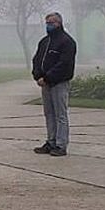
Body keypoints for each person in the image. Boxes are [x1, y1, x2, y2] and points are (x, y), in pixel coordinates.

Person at [31, 12, 77, 157]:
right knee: (49, 114)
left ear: (59, 23)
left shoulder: (67, 42)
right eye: (47, 23)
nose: (48, 26)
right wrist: (38, 75)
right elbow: (37, 59)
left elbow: (64, 64)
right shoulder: (44, 42)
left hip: (59, 83)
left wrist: (48, 77)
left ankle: (61, 144)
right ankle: (51, 141)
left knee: (60, 114)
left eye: (51, 23)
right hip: (45, 83)